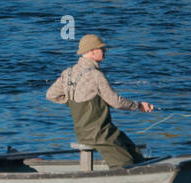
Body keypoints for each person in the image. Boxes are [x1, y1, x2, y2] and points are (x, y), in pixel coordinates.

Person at [45, 33, 153, 168]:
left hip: (85, 133)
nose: (105, 51)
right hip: (100, 134)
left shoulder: (67, 73)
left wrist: (71, 100)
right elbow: (116, 102)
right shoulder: (96, 75)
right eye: (102, 49)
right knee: (126, 163)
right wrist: (138, 105)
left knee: (135, 153)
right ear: (91, 51)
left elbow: (51, 94)